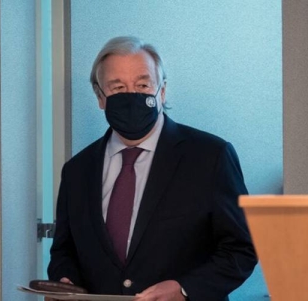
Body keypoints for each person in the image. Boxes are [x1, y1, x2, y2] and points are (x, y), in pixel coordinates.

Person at [47, 36, 257, 301]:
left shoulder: (210, 156)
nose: (132, 95)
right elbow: (64, 251)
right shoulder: (77, 170)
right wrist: (65, 282)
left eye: (143, 84)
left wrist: (185, 288)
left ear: (163, 91)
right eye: (118, 87)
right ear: (100, 97)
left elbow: (242, 249)